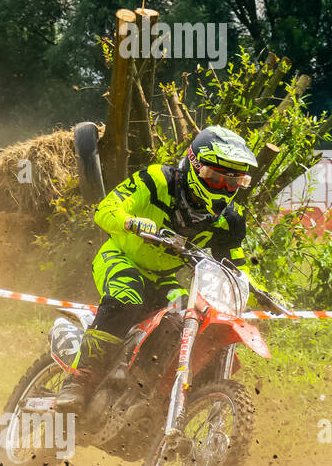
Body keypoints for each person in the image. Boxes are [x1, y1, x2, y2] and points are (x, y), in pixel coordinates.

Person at [56, 125, 282, 413]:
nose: (224, 188)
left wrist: (255, 289)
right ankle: (79, 380)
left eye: (234, 182)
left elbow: (232, 266)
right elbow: (106, 209)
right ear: (194, 165)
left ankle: (145, 385)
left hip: (164, 278)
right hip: (121, 257)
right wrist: (130, 222)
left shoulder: (229, 220)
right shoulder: (156, 181)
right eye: (216, 177)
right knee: (127, 297)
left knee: (186, 318)